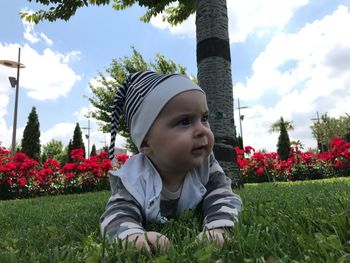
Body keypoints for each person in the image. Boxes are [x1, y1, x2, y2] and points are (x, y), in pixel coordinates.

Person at [100, 71, 242, 251]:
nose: (202, 130)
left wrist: (220, 228)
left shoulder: (206, 166)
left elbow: (222, 197)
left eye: (204, 118)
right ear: (145, 142)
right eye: (184, 122)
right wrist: (132, 237)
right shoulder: (134, 178)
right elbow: (117, 213)